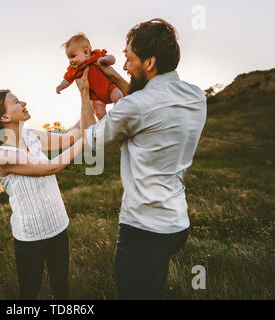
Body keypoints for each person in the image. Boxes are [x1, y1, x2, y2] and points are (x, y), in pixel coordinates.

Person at [76, 18, 207, 299]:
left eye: (128, 59)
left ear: (150, 63)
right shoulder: (196, 97)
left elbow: (90, 140)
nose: (124, 66)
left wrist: (85, 92)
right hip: (176, 224)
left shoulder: (136, 106)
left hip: (143, 229)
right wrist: (111, 76)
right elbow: (149, 101)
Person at [0, 89, 85, 299]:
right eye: (16, 102)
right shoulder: (1, 155)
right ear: (4, 117)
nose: (23, 102)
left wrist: (87, 96)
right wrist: (86, 141)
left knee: (62, 290)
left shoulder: (29, 136)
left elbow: (71, 137)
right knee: (29, 294)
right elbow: (50, 167)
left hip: (58, 226)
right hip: (31, 237)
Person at [56, 33, 124, 120]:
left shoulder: (96, 55)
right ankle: (107, 124)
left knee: (119, 96)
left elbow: (112, 59)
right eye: (68, 58)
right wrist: (60, 87)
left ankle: (117, 117)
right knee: (99, 113)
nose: (70, 61)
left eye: (73, 56)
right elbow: (67, 80)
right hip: (96, 97)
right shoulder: (73, 69)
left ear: (86, 52)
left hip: (109, 88)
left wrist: (106, 59)